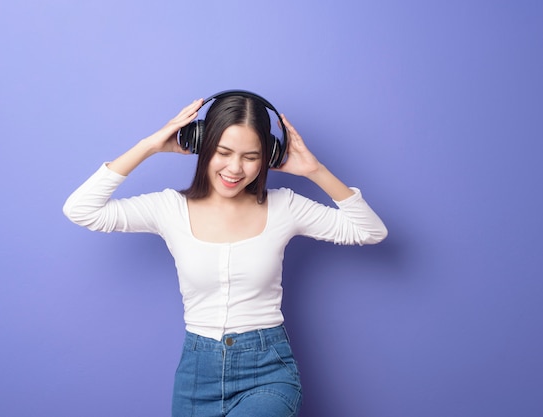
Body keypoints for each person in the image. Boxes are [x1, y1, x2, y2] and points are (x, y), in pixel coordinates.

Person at [63, 91, 388, 417]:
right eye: (223, 152)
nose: (235, 168)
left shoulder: (284, 206)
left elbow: (370, 231)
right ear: (201, 144)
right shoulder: (169, 209)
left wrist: (315, 170)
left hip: (267, 371)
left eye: (251, 156)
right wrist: (149, 146)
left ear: (269, 157)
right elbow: (81, 210)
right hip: (196, 376)